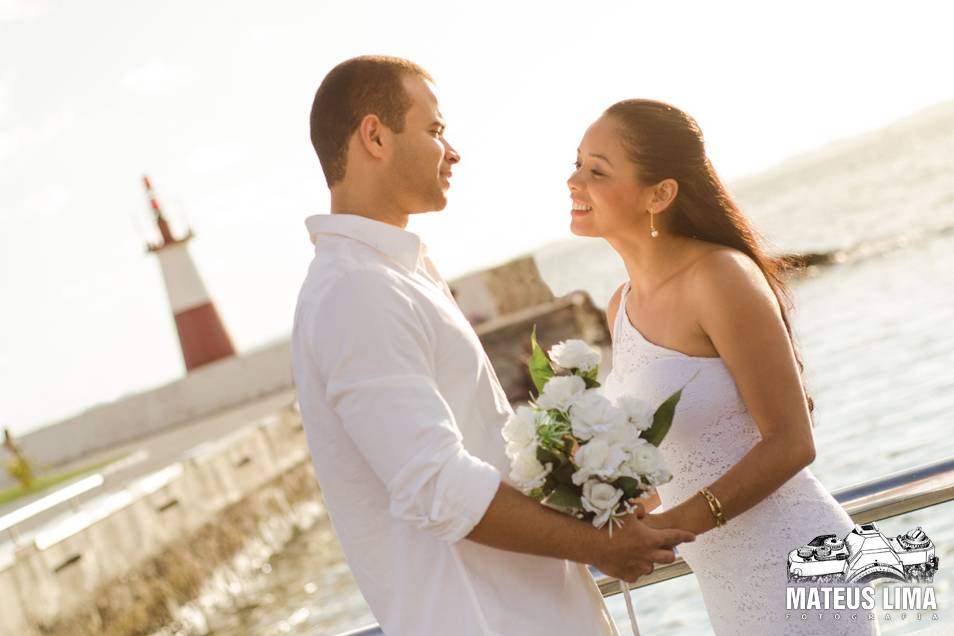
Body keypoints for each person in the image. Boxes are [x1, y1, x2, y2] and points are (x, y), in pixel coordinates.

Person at [291, 57, 694, 636]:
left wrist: (591, 489)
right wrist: (597, 545)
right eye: (434, 131)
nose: (452, 151)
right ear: (375, 136)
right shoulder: (357, 289)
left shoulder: (396, 273)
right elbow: (437, 486)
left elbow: (478, 452)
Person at [567, 99, 880, 635]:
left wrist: (672, 526)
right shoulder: (621, 307)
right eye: (576, 163)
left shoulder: (719, 276)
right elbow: (684, 458)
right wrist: (604, 505)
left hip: (797, 563)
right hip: (723, 582)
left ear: (660, 194)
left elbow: (791, 442)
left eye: (596, 170)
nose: (573, 180)